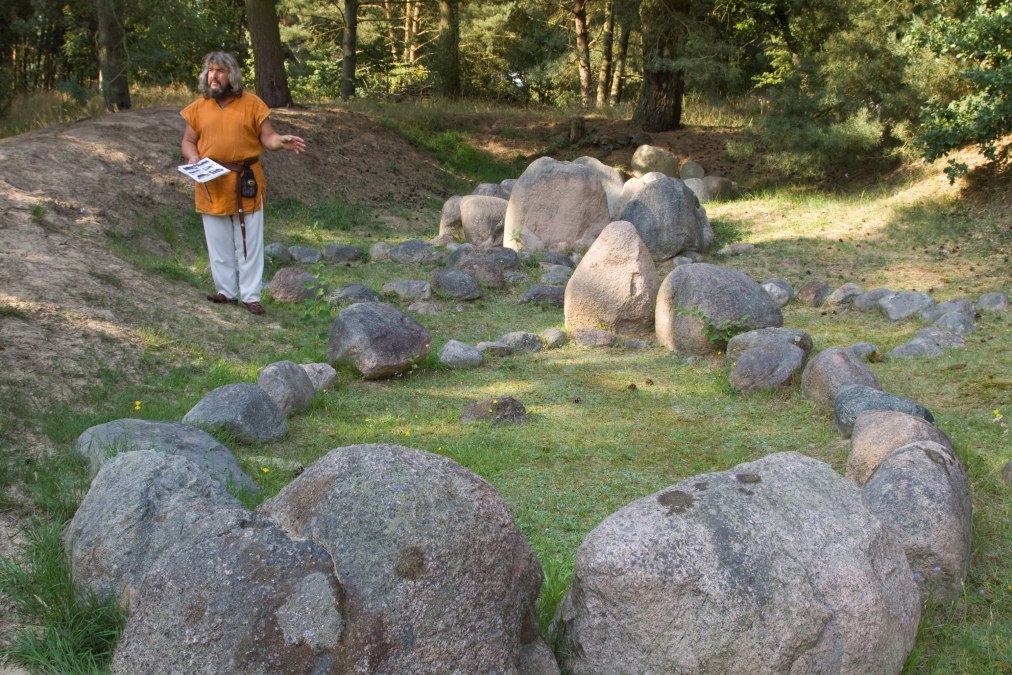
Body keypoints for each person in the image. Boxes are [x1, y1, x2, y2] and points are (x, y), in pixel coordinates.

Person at [180, 51, 306, 316]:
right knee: (218, 242)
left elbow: (268, 138)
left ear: (232, 75)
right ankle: (226, 291)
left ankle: (251, 296)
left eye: (220, 71)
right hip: (211, 183)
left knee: (249, 242)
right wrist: (192, 157)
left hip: (245, 182)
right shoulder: (199, 108)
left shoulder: (252, 104)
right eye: (210, 70)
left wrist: (281, 141)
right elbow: (188, 141)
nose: (214, 76)